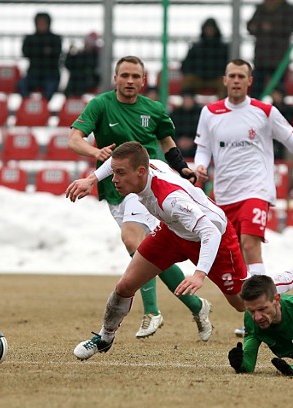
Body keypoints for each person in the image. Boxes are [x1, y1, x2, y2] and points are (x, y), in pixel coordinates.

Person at [66, 142, 293, 360]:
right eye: (114, 172)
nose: (114, 179)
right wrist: (91, 179)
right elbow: (115, 160)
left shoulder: (170, 199)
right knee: (125, 286)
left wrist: (199, 274)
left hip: (215, 238)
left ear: (141, 172)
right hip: (173, 232)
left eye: (120, 174)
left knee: (242, 301)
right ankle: (105, 338)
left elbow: (209, 233)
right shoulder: (150, 167)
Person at [193, 59, 293, 337]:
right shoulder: (210, 113)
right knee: (235, 264)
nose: (236, 80)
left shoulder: (264, 111)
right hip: (223, 196)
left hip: (256, 191)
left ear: (250, 81)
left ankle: (255, 316)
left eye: (241, 76)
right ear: (224, 80)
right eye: (231, 76)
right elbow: (203, 148)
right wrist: (201, 165)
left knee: (250, 246)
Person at [67, 55, 210, 341]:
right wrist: (95, 155)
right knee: (147, 252)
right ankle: (197, 305)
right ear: (115, 79)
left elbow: (167, 143)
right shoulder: (101, 105)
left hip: (147, 184)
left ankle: (153, 312)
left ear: (144, 81)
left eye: (136, 76)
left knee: (132, 239)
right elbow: (74, 139)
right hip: (115, 188)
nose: (130, 81)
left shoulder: (154, 110)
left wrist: (182, 168)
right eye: (125, 75)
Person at [247, 0, 293, 99]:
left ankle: (278, 113)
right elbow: (250, 26)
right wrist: (258, 27)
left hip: (278, 59)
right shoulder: (261, 8)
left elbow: (292, 26)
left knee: (279, 92)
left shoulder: (287, 9)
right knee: (257, 92)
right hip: (261, 59)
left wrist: (272, 28)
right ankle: (256, 112)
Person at [17, 12, 62, 101]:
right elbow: (25, 52)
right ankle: (28, 106)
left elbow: (56, 53)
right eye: (39, 23)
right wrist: (44, 51)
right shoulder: (29, 38)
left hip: (51, 74)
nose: (41, 25)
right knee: (21, 85)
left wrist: (36, 50)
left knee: (50, 88)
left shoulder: (55, 39)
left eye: (43, 23)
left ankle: (42, 110)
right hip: (33, 73)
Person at [180, 18, 229, 98]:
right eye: (207, 29)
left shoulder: (223, 48)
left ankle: (222, 106)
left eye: (211, 29)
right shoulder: (196, 47)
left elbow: (228, 66)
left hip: (217, 79)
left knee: (225, 83)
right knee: (187, 80)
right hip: (199, 78)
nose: (209, 31)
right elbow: (185, 65)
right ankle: (189, 105)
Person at [64, 32, 101, 98]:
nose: (86, 44)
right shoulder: (79, 54)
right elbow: (68, 65)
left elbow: (92, 68)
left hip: (88, 80)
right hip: (76, 80)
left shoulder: (95, 56)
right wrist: (69, 54)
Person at [170, 90, 201, 159]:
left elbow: (203, 132)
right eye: (185, 99)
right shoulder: (175, 114)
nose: (187, 101)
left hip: (196, 146)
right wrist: (178, 140)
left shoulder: (200, 114)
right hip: (178, 145)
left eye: (189, 99)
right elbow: (170, 131)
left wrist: (192, 141)